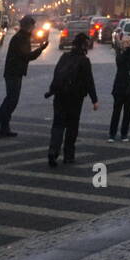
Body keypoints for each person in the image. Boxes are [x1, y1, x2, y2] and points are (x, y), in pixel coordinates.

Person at [0, 14, 49, 138]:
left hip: (15, 72)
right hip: (13, 72)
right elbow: (26, 56)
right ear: (28, 26)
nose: (34, 28)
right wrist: (40, 49)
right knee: (11, 100)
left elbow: (26, 56)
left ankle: (4, 127)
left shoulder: (22, 37)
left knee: (11, 100)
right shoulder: (20, 38)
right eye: (32, 26)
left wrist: (39, 50)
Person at [44, 31, 98, 166]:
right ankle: (68, 155)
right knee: (72, 126)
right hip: (75, 98)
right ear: (84, 46)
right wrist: (94, 100)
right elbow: (89, 81)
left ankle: (53, 151)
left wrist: (52, 90)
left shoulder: (64, 57)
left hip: (59, 95)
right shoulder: (84, 61)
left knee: (58, 125)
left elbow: (56, 75)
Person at [108, 33, 130, 142]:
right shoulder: (120, 53)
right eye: (125, 42)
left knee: (127, 113)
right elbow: (120, 61)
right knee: (116, 112)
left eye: (129, 42)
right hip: (119, 87)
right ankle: (112, 134)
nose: (127, 44)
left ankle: (124, 134)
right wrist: (120, 45)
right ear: (122, 44)